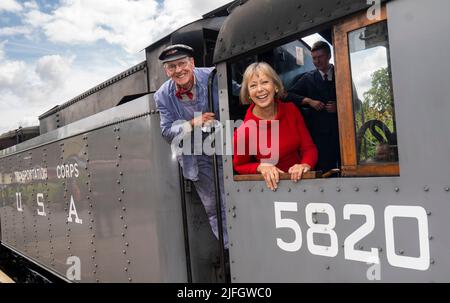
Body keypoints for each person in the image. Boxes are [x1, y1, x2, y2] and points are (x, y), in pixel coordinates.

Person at [154, 44, 228, 248]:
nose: (178, 70)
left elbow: (240, 94)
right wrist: (192, 123)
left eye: (182, 63)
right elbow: (167, 132)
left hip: (227, 150)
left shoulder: (213, 76)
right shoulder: (162, 95)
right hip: (196, 159)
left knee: (235, 202)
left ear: (192, 63)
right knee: (214, 209)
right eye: (171, 66)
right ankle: (230, 251)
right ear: (166, 70)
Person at [233, 62, 318, 191]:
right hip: (271, 191)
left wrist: (304, 165)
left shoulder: (291, 110)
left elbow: (309, 148)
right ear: (249, 94)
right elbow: (239, 165)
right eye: (253, 85)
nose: (260, 89)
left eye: (265, 82)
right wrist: (261, 167)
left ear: (276, 86)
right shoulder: (243, 131)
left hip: (302, 185)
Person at [284, 41, 340, 173]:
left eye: (320, 57)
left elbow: (356, 102)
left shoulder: (342, 73)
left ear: (329, 56)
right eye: (314, 58)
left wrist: (340, 107)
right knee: (325, 172)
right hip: (319, 138)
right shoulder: (308, 78)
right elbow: (287, 95)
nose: (317, 61)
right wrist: (309, 101)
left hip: (341, 134)